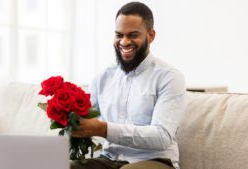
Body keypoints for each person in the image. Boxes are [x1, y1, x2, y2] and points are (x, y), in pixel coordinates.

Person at [71, 2, 186, 169]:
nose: (124, 42)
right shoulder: (102, 78)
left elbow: (162, 136)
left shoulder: (169, 77)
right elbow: (86, 118)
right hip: (109, 159)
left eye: (133, 35)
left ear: (151, 35)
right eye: (119, 35)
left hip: (156, 160)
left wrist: (104, 129)